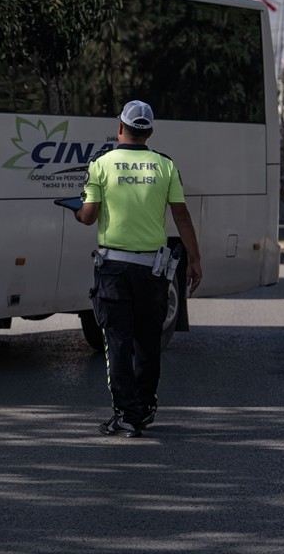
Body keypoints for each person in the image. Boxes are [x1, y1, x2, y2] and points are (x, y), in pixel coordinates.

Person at [70, 99, 202, 438]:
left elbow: (88, 217)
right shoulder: (165, 166)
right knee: (148, 342)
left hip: (114, 270)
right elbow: (182, 216)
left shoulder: (101, 164)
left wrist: (76, 210)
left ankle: (126, 414)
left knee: (118, 343)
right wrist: (195, 260)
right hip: (153, 272)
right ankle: (143, 409)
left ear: (120, 129)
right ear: (150, 132)